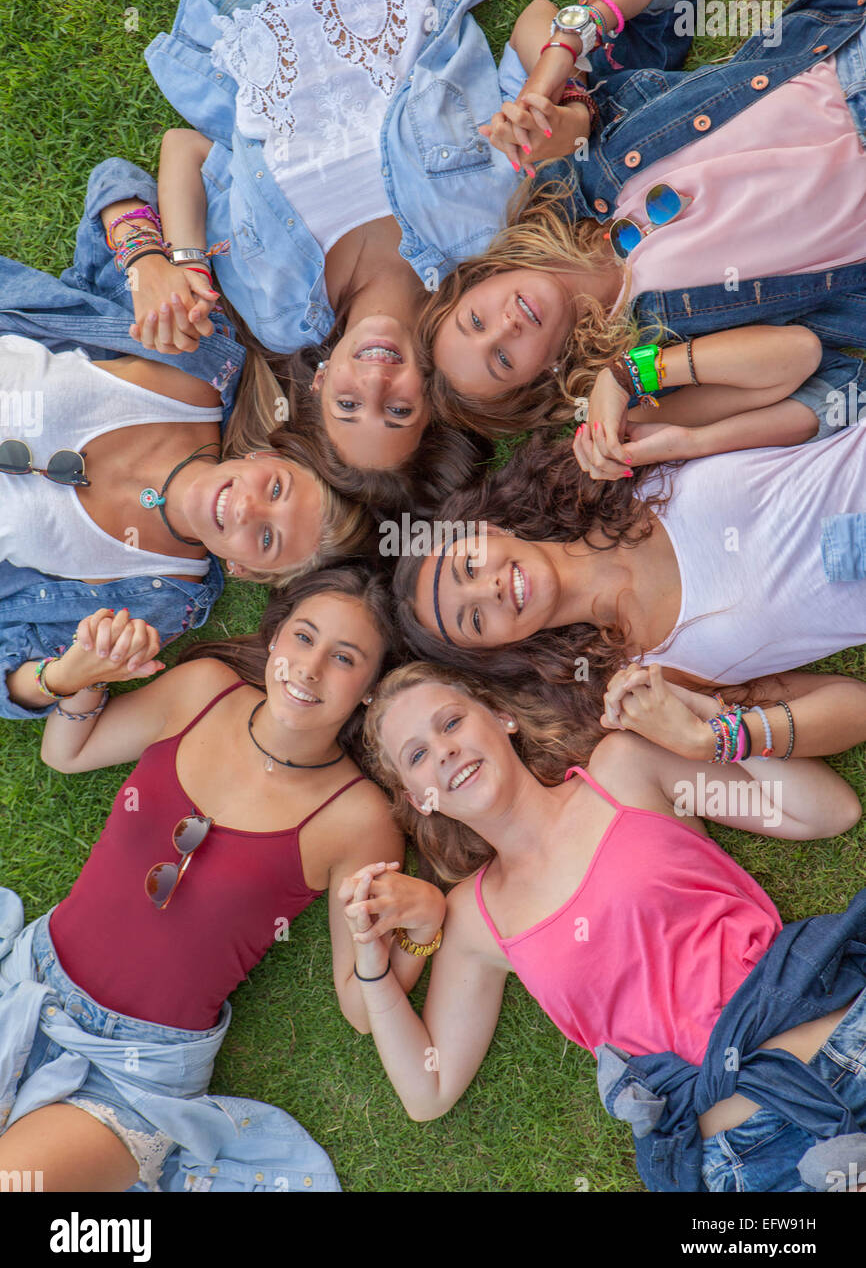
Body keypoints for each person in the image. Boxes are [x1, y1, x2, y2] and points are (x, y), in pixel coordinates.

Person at [138, 0, 694, 484]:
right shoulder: (491, 237)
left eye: (348, 406)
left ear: (321, 381)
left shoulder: (273, 309)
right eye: (397, 411)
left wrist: (184, 262)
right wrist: (553, 103)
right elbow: (537, 31)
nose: (374, 385)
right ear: (431, 396)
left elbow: (187, 148)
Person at [0, 567, 446, 1191]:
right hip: (28, 984)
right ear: (275, 639)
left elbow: (361, 1005)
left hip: (137, 1075)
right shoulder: (201, 693)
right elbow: (67, 753)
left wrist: (424, 927)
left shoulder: (357, 818)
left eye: (344, 659)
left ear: (370, 689)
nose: (310, 668)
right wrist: (81, 678)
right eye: (303, 637)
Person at [343, 662, 866, 1193]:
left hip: (848, 1044)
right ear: (418, 799)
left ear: (502, 718)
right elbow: (427, 1091)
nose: (444, 751)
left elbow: (827, 812)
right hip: (751, 1164)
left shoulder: (625, 769)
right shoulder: (475, 920)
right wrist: (371, 959)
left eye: (451, 723)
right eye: (417, 756)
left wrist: (709, 726)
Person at [419, 0, 866, 441]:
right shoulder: (646, 356)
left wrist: (553, 88)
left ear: (480, 278)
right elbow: (809, 365)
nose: (504, 327)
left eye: (475, 320)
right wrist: (628, 382)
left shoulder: (568, 180)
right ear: (541, 378)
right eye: (502, 360)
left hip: (846, 74)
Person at [0, 164, 371, 722]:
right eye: (275, 487)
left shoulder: (159, 599)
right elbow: (115, 182)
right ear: (263, 457)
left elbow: (10, 676)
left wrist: (69, 674)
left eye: (267, 538)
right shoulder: (197, 361)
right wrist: (147, 261)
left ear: (247, 572)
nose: (247, 508)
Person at [393, 425, 866, 751]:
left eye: (469, 567)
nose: (489, 590)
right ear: (501, 648)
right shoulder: (650, 677)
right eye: (474, 619)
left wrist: (629, 375)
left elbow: (796, 360)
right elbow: (854, 707)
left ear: (489, 532)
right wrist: (712, 741)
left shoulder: (615, 466)